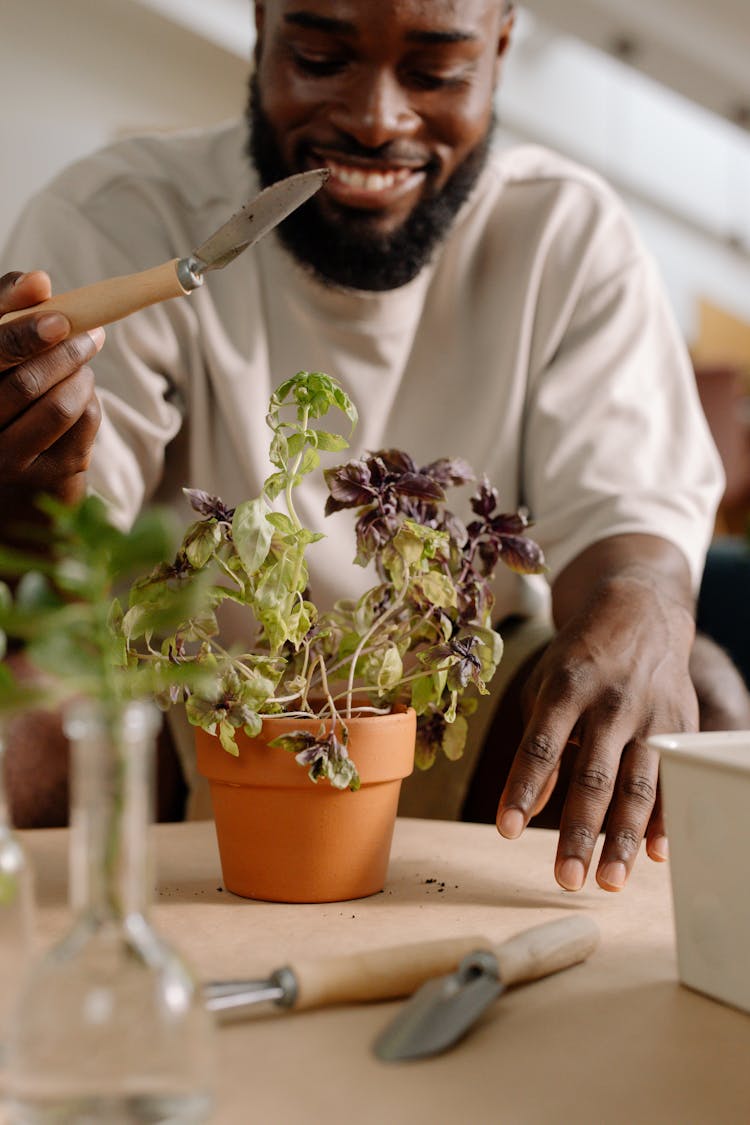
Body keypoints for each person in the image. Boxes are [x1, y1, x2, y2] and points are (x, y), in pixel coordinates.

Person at [1, 0, 748, 891]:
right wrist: (24, 504)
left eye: (435, 72)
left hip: (457, 714)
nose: (375, 118)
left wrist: (648, 601)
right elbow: (57, 568)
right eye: (320, 57)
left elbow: (629, 536)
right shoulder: (123, 217)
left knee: (698, 687)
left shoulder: (565, 235)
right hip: (180, 706)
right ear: (260, 21)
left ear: (503, 43)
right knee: (26, 702)